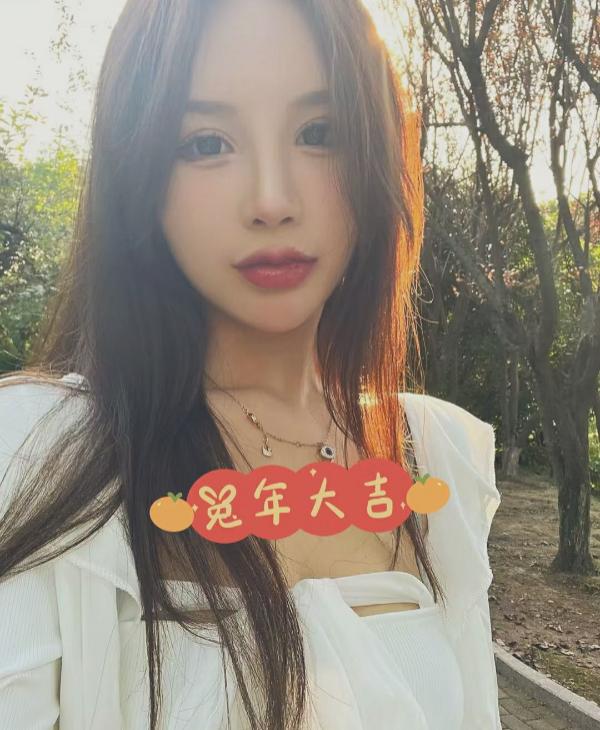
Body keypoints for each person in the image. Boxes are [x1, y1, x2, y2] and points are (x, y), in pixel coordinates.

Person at [0, 0, 503, 728]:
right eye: (206, 143)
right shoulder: (37, 450)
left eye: (319, 133)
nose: (272, 200)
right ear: (140, 176)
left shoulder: (435, 455)